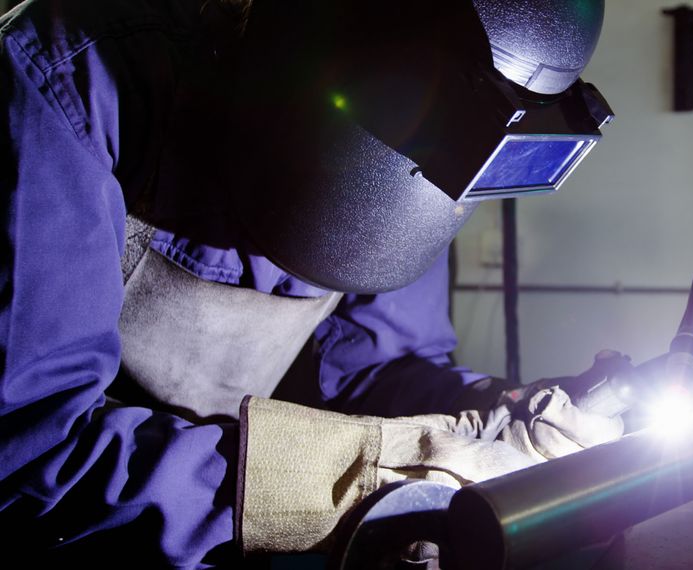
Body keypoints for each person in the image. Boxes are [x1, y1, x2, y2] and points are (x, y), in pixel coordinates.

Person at [0, 0, 618, 566]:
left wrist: (506, 419)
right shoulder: (71, 78)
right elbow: (30, 451)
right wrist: (360, 477)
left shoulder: (451, 145)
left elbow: (375, 371)